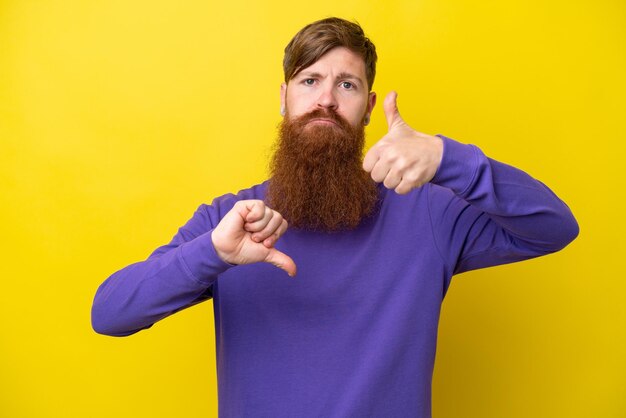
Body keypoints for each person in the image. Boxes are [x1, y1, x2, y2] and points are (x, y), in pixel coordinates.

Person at [91, 17, 578, 417]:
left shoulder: (428, 211)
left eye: (346, 84)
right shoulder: (228, 222)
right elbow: (110, 313)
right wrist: (213, 253)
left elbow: (556, 226)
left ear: (367, 108)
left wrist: (447, 158)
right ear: (284, 98)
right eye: (310, 81)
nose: (325, 98)